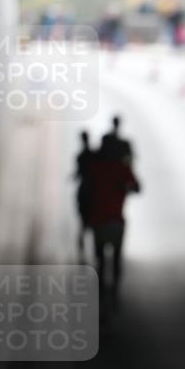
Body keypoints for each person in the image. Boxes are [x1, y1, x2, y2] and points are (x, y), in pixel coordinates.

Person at [88, 136, 141, 309]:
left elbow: (86, 188)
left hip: (98, 220)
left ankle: (101, 294)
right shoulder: (122, 168)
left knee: (101, 260)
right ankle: (114, 293)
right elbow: (137, 187)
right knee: (117, 258)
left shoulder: (95, 167)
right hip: (116, 221)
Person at [73, 130, 93, 258]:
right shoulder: (92, 155)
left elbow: (78, 174)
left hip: (84, 193)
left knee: (82, 224)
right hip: (92, 193)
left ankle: (81, 253)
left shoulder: (81, 156)